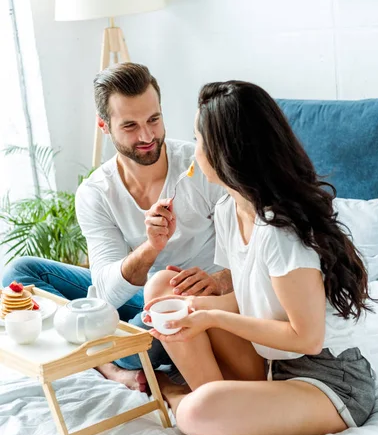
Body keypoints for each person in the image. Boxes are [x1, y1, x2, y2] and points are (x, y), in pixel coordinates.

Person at [142, 80, 376, 435]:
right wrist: (194, 310)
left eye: (199, 140)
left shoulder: (280, 232)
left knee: (196, 412)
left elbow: (307, 339)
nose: (193, 150)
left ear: (226, 152)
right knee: (165, 286)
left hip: (326, 378)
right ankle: (234, 424)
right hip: (271, 363)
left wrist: (212, 315)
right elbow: (254, 300)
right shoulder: (228, 213)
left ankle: (190, 403)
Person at [2, 64, 232, 391]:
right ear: (104, 126)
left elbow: (255, 244)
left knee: (143, 342)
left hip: (194, 298)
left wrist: (222, 279)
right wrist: (151, 247)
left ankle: (116, 360)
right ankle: (108, 364)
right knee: (21, 273)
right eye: (130, 126)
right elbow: (107, 292)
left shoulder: (201, 167)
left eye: (154, 119)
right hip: (140, 294)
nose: (147, 136)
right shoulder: (97, 192)